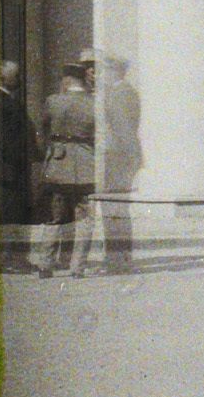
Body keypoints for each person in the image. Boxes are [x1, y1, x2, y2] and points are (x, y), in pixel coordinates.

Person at [32, 58, 96, 278]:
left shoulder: (53, 101)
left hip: (58, 163)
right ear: (83, 79)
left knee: (54, 216)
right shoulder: (94, 103)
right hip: (86, 163)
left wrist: (47, 154)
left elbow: (42, 132)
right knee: (85, 218)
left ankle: (45, 265)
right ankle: (77, 268)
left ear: (67, 80)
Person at [98, 54, 142, 275]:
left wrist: (127, 160)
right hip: (119, 156)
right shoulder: (119, 92)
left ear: (116, 71)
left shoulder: (121, 94)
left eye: (104, 70)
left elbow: (124, 131)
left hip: (118, 156)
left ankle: (117, 258)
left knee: (114, 207)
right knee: (116, 207)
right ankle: (119, 256)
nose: (101, 75)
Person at [0, 60, 38, 269]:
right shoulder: (4, 103)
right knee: (11, 213)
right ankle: (9, 259)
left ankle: (7, 258)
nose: (20, 80)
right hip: (10, 169)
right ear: (3, 78)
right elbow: (4, 140)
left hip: (6, 168)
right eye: (16, 76)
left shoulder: (0, 100)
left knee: (9, 212)